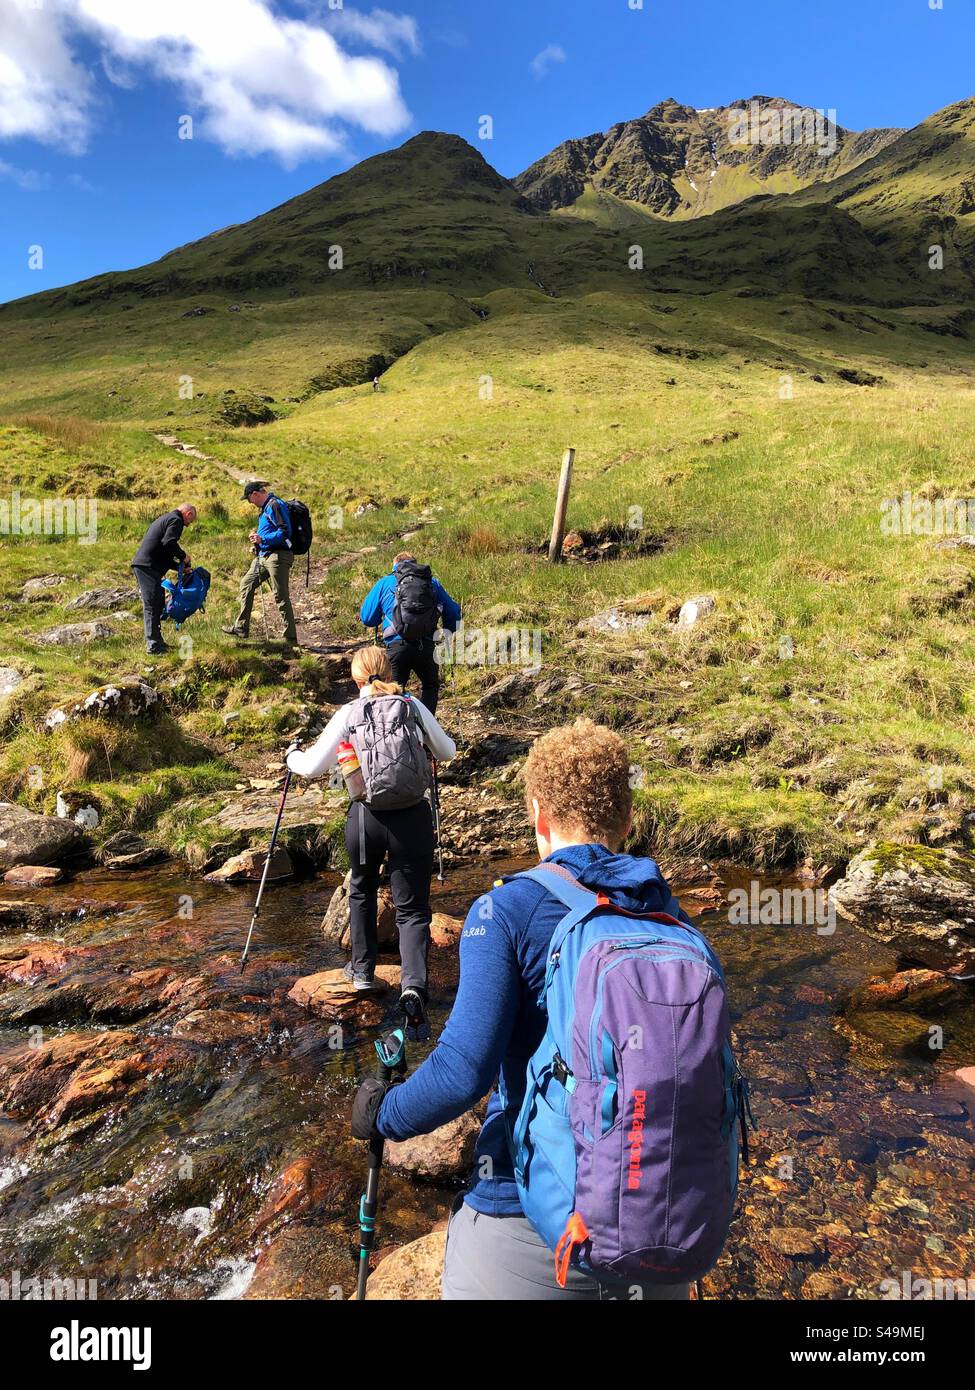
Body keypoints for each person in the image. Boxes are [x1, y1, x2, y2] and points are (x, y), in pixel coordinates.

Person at [352, 719, 695, 1301]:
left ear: (537, 813)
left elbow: (463, 1071)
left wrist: (382, 1113)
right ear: (628, 821)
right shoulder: (667, 914)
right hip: (662, 1228)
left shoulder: (504, 911)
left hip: (534, 1227)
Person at [286, 646, 455, 1025]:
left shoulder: (349, 713)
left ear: (356, 678)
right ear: (389, 671)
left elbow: (313, 766)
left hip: (366, 818)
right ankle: (413, 987)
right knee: (412, 909)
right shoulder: (411, 705)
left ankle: (362, 972)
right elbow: (448, 752)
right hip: (412, 817)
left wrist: (291, 757)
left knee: (361, 887)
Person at [359, 552, 461, 714]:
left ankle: (398, 730)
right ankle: (425, 730)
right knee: (430, 685)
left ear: (394, 566)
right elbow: (454, 612)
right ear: (416, 564)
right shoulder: (432, 583)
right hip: (426, 645)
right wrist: (447, 634)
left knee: (392, 692)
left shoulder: (384, 583)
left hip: (396, 647)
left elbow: (367, 618)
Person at [222, 481, 299, 650]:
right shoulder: (265, 509)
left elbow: (285, 532)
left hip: (278, 556)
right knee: (246, 584)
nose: (250, 503)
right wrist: (258, 544)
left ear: (255, 494)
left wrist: (263, 539)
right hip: (264, 555)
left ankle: (290, 638)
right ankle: (241, 628)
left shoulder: (274, 505)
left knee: (280, 595)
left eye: (249, 499)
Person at [131, 503, 197, 655]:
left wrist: (180, 567)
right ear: (188, 514)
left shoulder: (165, 518)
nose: (188, 525)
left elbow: (164, 550)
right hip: (147, 567)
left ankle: (158, 642)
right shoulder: (176, 520)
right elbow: (169, 543)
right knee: (152, 605)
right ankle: (153, 646)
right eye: (190, 521)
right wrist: (183, 556)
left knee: (158, 601)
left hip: (147, 566)